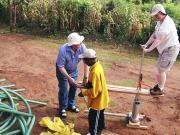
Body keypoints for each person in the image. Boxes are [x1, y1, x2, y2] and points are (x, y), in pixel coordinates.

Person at [141, 4, 180, 95]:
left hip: (171, 49)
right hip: (165, 49)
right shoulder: (160, 22)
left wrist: (149, 50)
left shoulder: (167, 23)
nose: (155, 16)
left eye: (156, 14)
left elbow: (159, 39)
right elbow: (154, 35)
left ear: (161, 12)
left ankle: (160, 89)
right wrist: (146, 44)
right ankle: (159, 86)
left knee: (161, 69)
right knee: (159, 69)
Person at [56, 32, 88, 118]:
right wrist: (69, 78)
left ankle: (71, 105)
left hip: (73, 69)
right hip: (62, 71)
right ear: (72, 44)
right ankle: (63, 108)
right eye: (78, 43)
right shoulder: (63, 50)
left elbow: (87, 61)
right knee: (64, 89)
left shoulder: (82, 47)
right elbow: (60, 66)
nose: (81, 44)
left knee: (74, 87)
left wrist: (86, 76)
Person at [78, 49, 109, 135]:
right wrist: (88, 84)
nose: (83, 61)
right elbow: (95, 83)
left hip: (98, 101)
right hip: (101, 98)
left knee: (93, 118)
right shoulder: (97, 66)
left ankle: (94, 132)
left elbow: (95, 92)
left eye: (84, 59)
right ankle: (100, 128)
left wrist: (83, 93)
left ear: (89, 60)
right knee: (99, 116)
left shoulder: (95, 71)